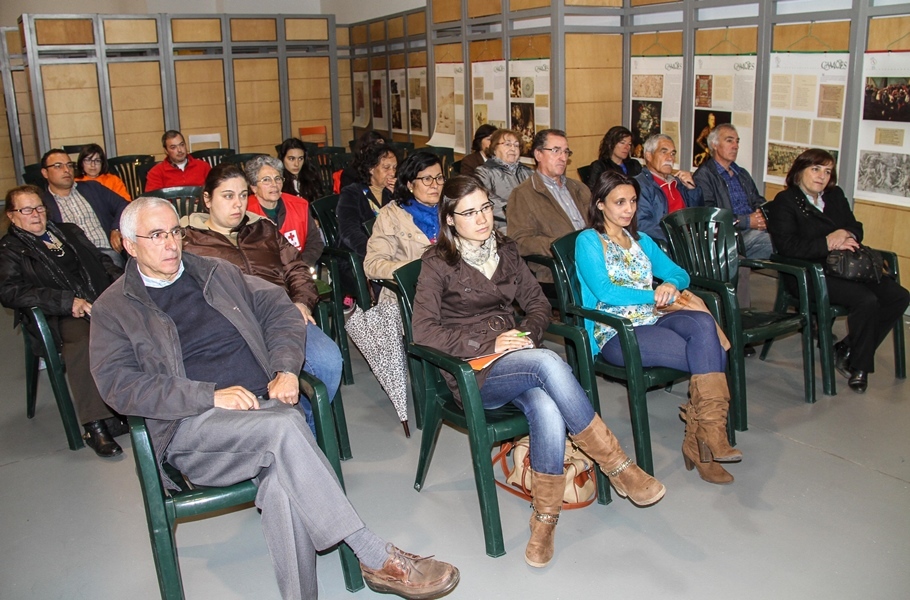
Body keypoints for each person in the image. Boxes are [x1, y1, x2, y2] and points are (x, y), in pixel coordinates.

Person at [89, 197, 460, 600]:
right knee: (287, 424)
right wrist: (209, 396)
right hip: (194, 430)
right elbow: (118, 385)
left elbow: (280, 309)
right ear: (129, 244)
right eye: (157, 236)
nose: (171, 244)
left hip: (261, 415)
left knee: (283, 483)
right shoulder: (114, 307)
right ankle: (372, 553)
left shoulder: (215, 273)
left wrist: (285, 367)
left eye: (175, 232)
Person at [412, 176, 664, 569]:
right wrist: (488, 346)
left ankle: (544, 520)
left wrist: (524, 336)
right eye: (469, 213)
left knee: (546, 407)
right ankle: (617, 466)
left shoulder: (506, 250)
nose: (481, 219)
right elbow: (424, 331)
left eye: (484, 209)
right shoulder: (437, 263)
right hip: (472, 369)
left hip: (519, 357)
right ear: (449, 218)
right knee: (549, 363)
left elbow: (539, 306)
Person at [576, 171, 740, 485]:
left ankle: (708, 435)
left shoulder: (642, 240)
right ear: (600, 205)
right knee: (711, 352)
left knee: (704, 323)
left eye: (633, 201)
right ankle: (704, 442)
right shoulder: (589, 241)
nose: (628, 209)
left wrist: (668, 284)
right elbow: (605, 291)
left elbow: (681, 274)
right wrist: (654, 293)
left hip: (652, 317)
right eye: (619, 202)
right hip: (615, 330)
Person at [181, 164, 340, 432]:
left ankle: (307, 431)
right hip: (233, 327)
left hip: (282, 317)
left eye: (243, 195)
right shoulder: (189, 241)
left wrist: (301, 301)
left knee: (328, 362)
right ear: (207, 199)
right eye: (228, 196)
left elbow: (297, 268)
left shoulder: (262, 228)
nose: (238, 204)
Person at [766, 148, 909, 394]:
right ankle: (859, 367)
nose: (822, 176)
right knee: (866, 300)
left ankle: (847, 347)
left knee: (899, 296)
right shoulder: (786, 202)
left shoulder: (834, 195)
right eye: (815, 169)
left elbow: (856, 226)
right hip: (808, 274)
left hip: (846, 267)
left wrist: (846, 234)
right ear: (800, 171)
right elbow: (787, 247)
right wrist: (828, 242)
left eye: (827, 171)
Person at [0, 185, 125, 457]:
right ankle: (96, 425)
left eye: (39, 207)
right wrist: (66, 301)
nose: (35, 214)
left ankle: (127, 405)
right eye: (26, 209)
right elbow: (9, 291)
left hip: (98, 301)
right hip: (57, 314)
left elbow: (102, 262)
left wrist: (125, 284)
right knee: (84, 340)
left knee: (139, 327)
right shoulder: (10, 249)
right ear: (12, 215)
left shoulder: (68, 231)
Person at [693, 123, 772, 309]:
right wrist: (747, 221)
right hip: (727, 235)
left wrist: (763, 217)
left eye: (737, 142)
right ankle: (740, 318)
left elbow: (758, 200)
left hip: (752, 233)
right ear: (714, 145)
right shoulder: (704, 176)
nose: (735, 146)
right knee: (784, 243)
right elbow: (710, 214)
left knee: (793, 242)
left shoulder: (741, 173)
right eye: (729, 141)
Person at [507, 129, 591, 293]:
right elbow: (519, 241)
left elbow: (599, 223)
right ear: (538, 154)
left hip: (592, 262)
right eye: (555, 151)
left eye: (566, 151)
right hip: (559, 269)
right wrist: (562, 247)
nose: (563, 158)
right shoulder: (523, 194)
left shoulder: (579, 188)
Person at [364, 150, 443, 303]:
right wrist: (416, 269)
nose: (435, 185)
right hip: (409, 297)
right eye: (427, 179)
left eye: (439, 178)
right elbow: (372, 265)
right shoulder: (391, 215)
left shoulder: (453, 210)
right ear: (410, 184)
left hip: (451, 293)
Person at [39, 148, 129, 267]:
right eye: (58, 166)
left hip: (105, 252)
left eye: (69, 165)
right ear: (45, 173)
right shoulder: (42, 203)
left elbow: (124, 205)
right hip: (73, 259)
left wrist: (116, 228)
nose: (66, 170)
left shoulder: (92, 188)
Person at [336, 143, 398, 299]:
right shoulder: (352, 193)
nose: (392, 173)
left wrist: (398, 198)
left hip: (391, 252)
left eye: (394, 168)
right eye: (386, 168)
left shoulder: (393, 194)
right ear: (371, 169)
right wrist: (375, 253)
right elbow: (349, 232)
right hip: (359, 255)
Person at [245, 154, 325, 268]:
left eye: (277, 179)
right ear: (253, 187)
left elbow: (315, 242)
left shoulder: (299, 205)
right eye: (266, 180)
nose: (274, 185)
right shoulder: (245, 212)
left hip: (298, 269)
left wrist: (301, 266)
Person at [633, 134, 703, 241]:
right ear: (648, 156)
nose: (670, 158)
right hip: (667, 245)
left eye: (673, 153)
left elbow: (699, 215)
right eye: (664, 152)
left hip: (692, 242)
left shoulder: (679, 182)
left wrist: (692, 189)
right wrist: (677, 238)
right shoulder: (639, 184)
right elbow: (642, 224)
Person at [473, 129, 532, 233]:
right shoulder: (484, 172)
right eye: (507, 144)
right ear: (494, 148)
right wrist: (518, 212)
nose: (513, 149)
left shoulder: (528, 172)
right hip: (501, 227)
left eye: (516, 145)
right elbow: (487, 200)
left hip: (530, 224)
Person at [144, 130, 212, 191]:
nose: (179, 150)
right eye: (173, 147)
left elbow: (213, 191)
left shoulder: (203, 166)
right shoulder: (156, 173)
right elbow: (153, 201)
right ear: (166, 151)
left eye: (181, 145)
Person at [585, 125, 642, 190]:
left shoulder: (634, 164)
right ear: (611, 144)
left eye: (629, 144)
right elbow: (591, 192)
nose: (627, 147)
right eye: (622, 143)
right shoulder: (600, 166)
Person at [277, 137, 324, 202]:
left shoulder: (311, 176)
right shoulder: (277, 181)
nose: (296, 164)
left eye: (300, 158)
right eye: (291, 159)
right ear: (282, 159)